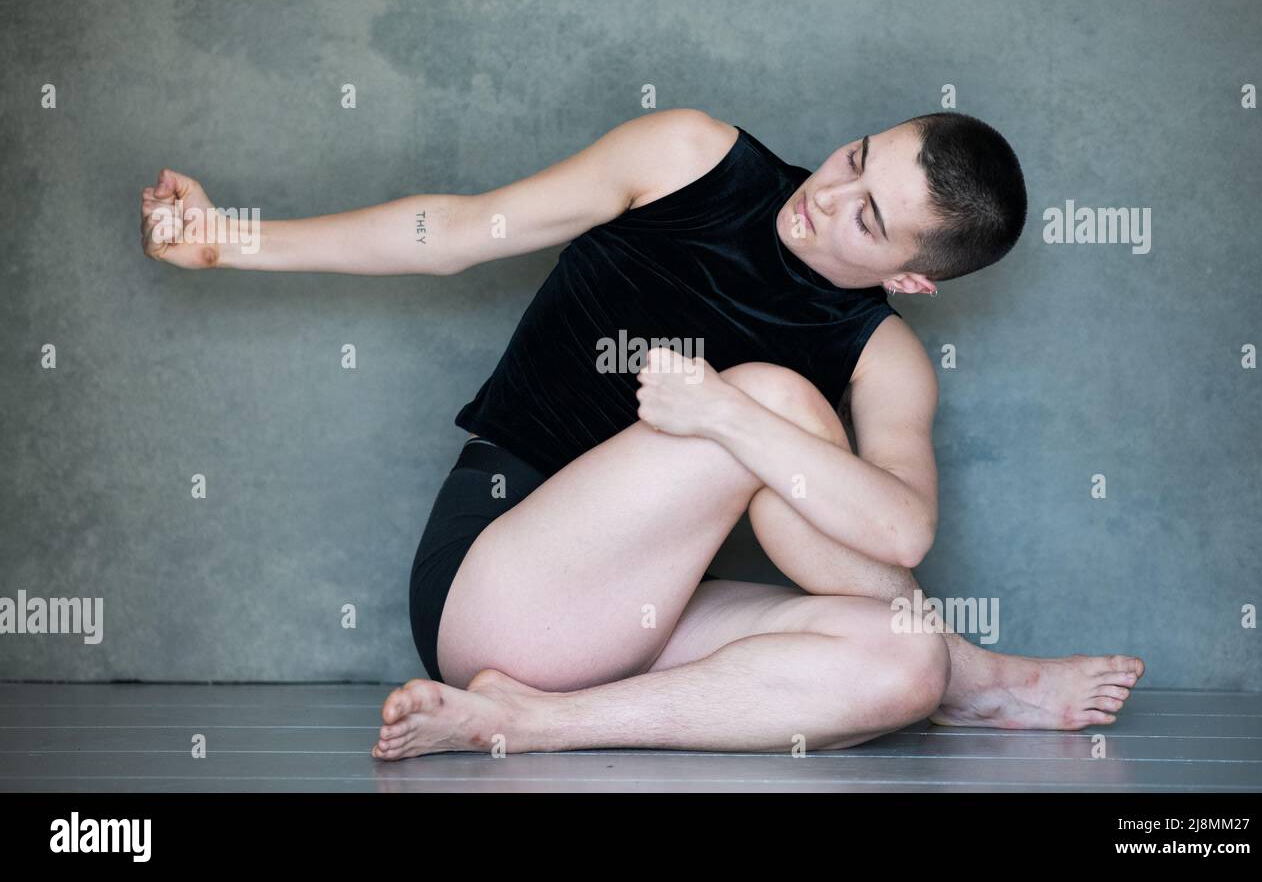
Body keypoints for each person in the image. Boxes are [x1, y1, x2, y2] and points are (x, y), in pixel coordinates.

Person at [139, 108, 1144, 757]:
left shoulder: (886, 357)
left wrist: (719, 413)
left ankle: (530, 724)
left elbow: (902, 534)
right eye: (853, 157)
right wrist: (228, 240)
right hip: (496, 584)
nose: (826, 195)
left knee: (898, 663)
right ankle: (981, 679)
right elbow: (454, 232)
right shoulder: (688, 158)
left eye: (869, 219)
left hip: (641, 625)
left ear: (910, 278)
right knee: (780, 402)